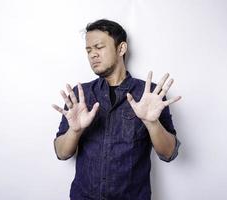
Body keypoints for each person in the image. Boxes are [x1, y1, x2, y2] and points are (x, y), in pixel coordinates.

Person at [52, 19, 181, 200]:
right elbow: (61, 153)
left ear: (121, 49)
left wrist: (152, 123)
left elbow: (169, 153)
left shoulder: (150, 95)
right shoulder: (80, 96)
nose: (93, 55)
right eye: (89, 50)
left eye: (99, 47)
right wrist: (75, 131)